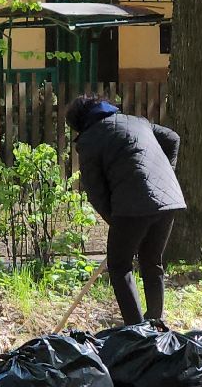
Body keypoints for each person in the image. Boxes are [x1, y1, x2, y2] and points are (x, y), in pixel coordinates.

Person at [66, 94, 185, 326]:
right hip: (169, 198)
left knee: (119, 266)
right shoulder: (137, 121)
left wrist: (117, 221)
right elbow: (172, 138)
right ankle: (156, 323)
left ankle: (137, 330)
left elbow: (96, 193)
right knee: (152, 261)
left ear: (80, 123)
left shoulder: (90, 140)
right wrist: (165, 175)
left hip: (132, 204)